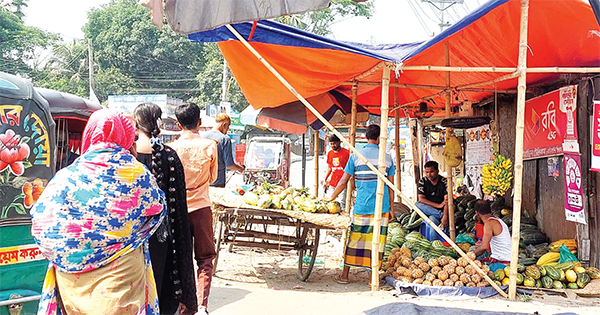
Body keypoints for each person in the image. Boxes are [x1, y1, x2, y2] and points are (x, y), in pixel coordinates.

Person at [30, 109, 166, 315]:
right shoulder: (135, 173)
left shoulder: (65, 175)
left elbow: (40, 221)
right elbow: (156, 207)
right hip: (120, 278)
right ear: (126, 136)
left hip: (72, 282)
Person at [133, 103, 198, 315]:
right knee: (159, 290)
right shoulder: (169, 156)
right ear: (159, 122)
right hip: (162, 239)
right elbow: (178, 207)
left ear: (136, 123)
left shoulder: (126, 156)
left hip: (130, 240)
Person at [326, 125, 395, 284]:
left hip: (362, 206)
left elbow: (343, 182)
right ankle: (373, 278)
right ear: (379, 138)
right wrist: (391, 207)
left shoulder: (356, 156)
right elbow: (392, 187)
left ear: (366, 137)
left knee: (355, 239)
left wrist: (331, 198)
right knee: (377, 242)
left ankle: (345, 275)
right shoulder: (387, 157)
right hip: (381, 207)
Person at [169, 103, 218, 314]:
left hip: (178, 210)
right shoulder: (210, 145)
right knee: (205, 259)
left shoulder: (171, 148)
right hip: (201, 208)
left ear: (178, 124)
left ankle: (184, 305)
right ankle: (201, 305)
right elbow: (213, 178)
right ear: (199, 122)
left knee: (181, 257)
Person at [199, 113, 244, 187]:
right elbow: (229, 165)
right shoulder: (225, 139)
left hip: (202, 182)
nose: (228, 129)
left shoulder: (202, 136)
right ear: (224, 125)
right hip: (217, 182)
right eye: (228, 126)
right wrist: (240, 169)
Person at [415, 160, 449, 241]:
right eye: (427, 172)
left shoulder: (444, 181)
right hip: (430, 209)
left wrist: (445, 216)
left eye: (432, 172)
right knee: (417, 204)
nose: (429, 174)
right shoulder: (423, 181)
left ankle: (433, 245)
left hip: (442, 210)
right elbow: (421, 199)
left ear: (437, 171)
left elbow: (447, 201)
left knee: (432, 221)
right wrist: (438, 206)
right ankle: (439, 215)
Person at [323, 134, 350, 208]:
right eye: (331, 144)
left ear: (339, 142)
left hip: (343, 183)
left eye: (334, 143)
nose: (333, 145)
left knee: (341, 203)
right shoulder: (330, 153)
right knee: (330, 202)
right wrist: (325, 180)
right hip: (333, 182)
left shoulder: (347, 153)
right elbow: (329, 167)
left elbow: (350, 170)